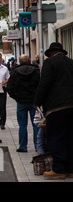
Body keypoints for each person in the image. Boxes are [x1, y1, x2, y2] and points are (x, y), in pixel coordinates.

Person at [34, 42, 73, 180]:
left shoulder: (50, 63)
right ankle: (70, 168)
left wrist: (37, 101)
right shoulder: (71, 62)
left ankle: (58, 169)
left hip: (56, 106)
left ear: (51, 53)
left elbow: (44, 83)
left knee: (56, 137)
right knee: (69, 137)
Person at [7, 54, 40, 153]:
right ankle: (37, 146)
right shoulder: (36, 71)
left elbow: (10, 88)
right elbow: (41, 85)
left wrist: (16, 97)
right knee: (36, 124)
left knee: (22, 125)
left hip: (21, 101)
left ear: (20, 62)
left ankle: (23, 146)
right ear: (29, 60)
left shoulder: (15, 72)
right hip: (33, 101)